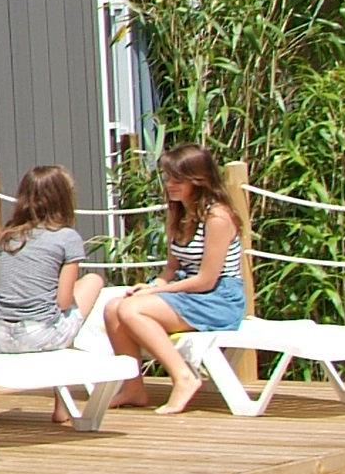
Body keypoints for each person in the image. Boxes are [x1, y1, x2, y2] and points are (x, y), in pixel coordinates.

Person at [105, 143, 247, 413]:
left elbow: (206, 280)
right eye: (168, 177)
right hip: (187, 291)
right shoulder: (177, 212)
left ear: (198, 180)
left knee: (131, 310)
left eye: (177, 180)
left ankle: (184, 377)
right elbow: (171, 268)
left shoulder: (218, 217)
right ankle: (133, 388)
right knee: (113, 308)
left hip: (219, 298)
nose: (170, 184)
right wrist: (153, 286)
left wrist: (156, 293)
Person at [0, 164, 103, 354]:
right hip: (38, 335)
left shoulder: (6, 237)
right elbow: (64, 302)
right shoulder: (67, 237)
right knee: (93, 280)